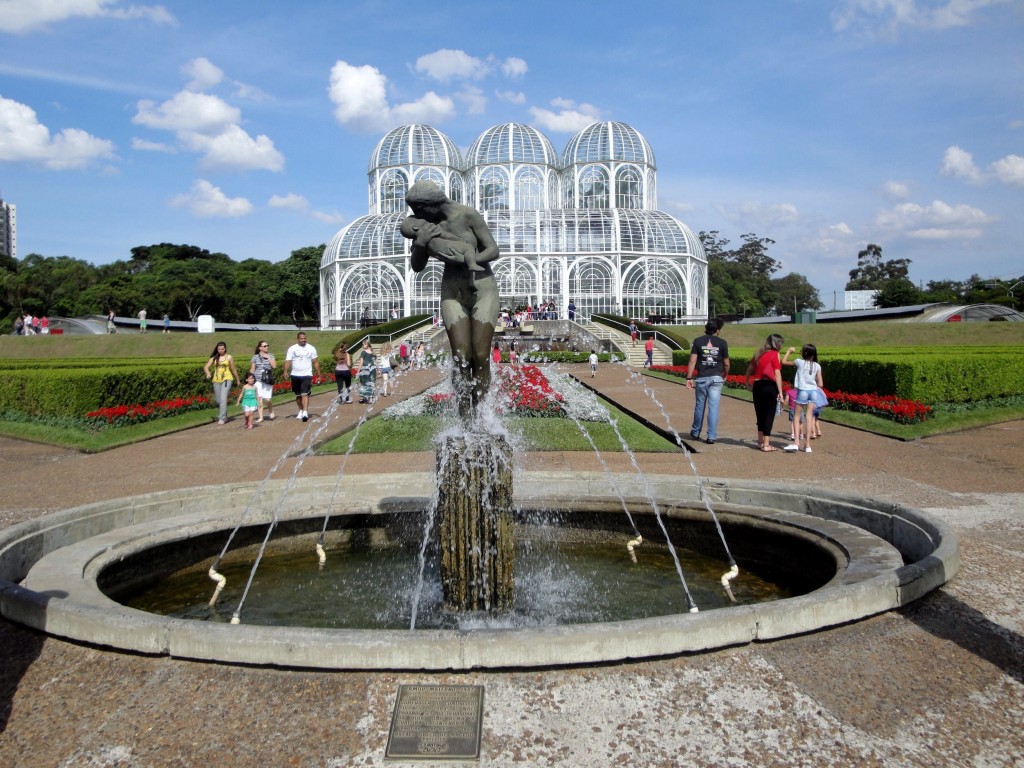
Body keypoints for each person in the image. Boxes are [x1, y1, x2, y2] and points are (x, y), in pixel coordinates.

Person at [402, 180, 500, 419]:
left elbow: (493, 250)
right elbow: (417, 266)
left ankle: (484, 416)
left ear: (433, 204)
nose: (417, 215)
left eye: (420, 210)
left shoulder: (467, 215)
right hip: (452, 291)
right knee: (461, 357)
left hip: (481, 288)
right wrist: (421, 244)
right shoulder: (425, 226)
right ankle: (465, 418)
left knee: (479, 356)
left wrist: (467, 259)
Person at [686, 320, 730, 445]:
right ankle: (711, 436)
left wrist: (689, 378)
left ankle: (695, 432)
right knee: (713, 407)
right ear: (717, 330)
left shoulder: (698, 341)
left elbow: (692, 361)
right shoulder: (722, 343)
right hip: (716, 377)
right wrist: (725, 375)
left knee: (700, 406)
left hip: (702, 377)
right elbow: (726, 363)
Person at [745, 333, 786, 452]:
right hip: (769, 386)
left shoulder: (759, 352)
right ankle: (766, 444)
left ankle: (760, 441)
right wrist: (780, 391)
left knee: (760, 413)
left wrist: (747, 380)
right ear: (777, 344)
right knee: (769, 414)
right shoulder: (775, 354)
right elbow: (777, 373)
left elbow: (750, 368)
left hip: (757, 385)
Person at [782, 344, 824, 453]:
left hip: (803, 391)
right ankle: (807, 445)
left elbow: (784, 362)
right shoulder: (817, 366)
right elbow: (820, 383)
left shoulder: (799, 362)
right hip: (813, 392)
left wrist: (789, 351)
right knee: (809, 417)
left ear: (804, 353)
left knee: (796, 416)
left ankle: (796, 443)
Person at [284, 332, 321, 422]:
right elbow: (288, 361)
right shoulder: (292, 349)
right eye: (301, 339)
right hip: (295, 374)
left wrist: (319, 374)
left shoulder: (311, 348)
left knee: (305, 394)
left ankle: (305, 412)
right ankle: (300, 410)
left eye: (305, 338)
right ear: (298, 339)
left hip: (307, 374)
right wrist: (285, 370)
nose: (303, 340)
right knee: (298, 395)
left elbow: (315, 362)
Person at [203, 340, 240, 425]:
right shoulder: (214, 358)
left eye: (222, 349)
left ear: (225, 349)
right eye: (219, 349)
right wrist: (208, 373)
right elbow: (206, 367)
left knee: (223, 399)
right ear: (217, 349)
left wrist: (237, 379)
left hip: (227, 379)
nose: (221, 350)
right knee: (219, 400)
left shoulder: (229, 357)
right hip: (216, 380)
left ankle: (222, 418)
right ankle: (224, 415)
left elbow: (233, 369)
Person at [248, 340, 277, 422]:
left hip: (267, 379)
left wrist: (269, 358)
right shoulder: (255, 357)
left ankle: (270, 410)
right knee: (259, 398)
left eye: (267, 345)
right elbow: (253, 369)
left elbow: (274, 366)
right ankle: (261, 416)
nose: (267, 347)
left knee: (267, 399)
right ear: (260, 348)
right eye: (264, 346)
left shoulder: (271, 355)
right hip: (258, 380)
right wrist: (250, 378)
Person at [357, 338, 376, 403]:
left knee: (364, 383)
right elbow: (375, 362)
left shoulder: (363, 352)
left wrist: (358, 371)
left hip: (366, 369)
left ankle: (365, 397)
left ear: (367, 345)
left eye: (364, 344)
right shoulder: (372, 352)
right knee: (372, 383)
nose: (363, 346)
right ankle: (371, 398)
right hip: (373, 369)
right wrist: (378, 369)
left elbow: (361, 362)